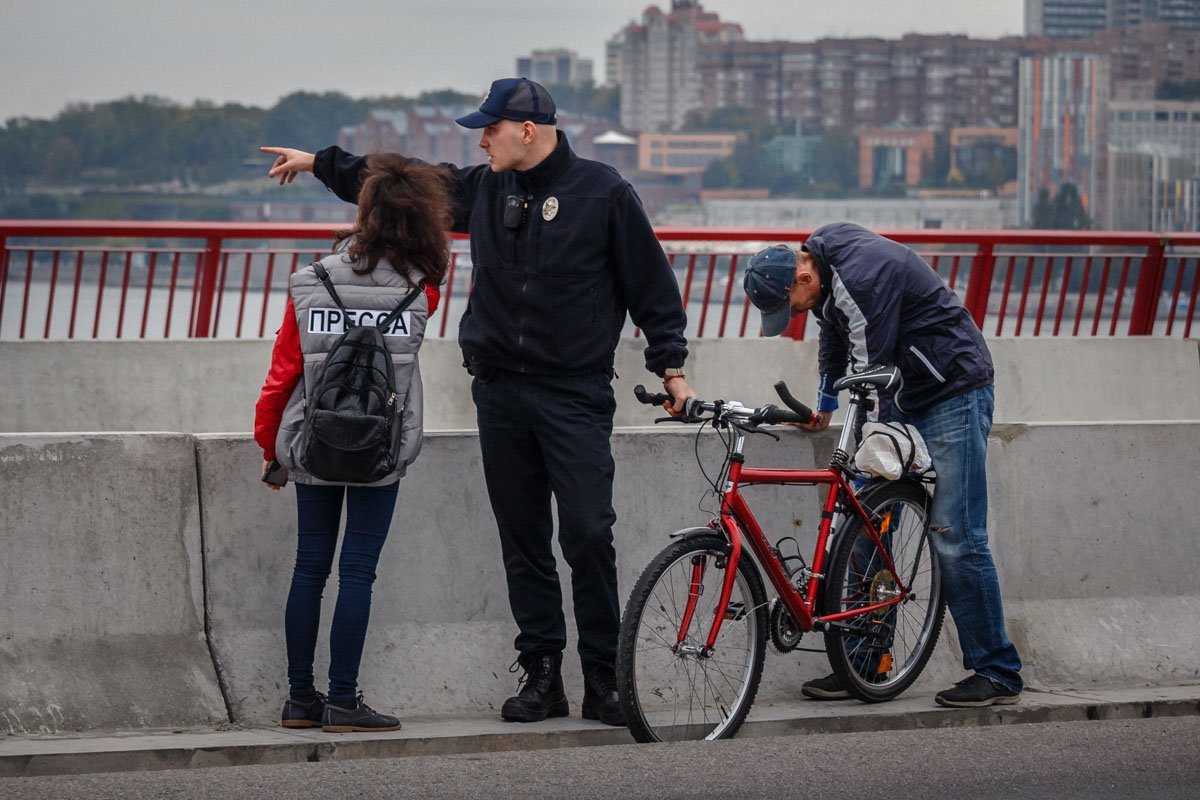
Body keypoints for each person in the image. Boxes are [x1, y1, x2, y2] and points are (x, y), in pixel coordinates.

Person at [262, 77, 694, 727]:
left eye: (489, 129)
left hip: (574, 392)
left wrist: (672, 370)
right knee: (522, 540)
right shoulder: (485, 187)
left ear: (528, 130)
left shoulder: (604, 193)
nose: (481, 139)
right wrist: (320, 163)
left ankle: (602, 678)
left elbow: (651, 287)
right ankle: (542, 675)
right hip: (498, 391)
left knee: (587, 533)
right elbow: (401, 185)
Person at [743, 222, 1023, 708]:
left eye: (790, 307)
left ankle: (997, 671)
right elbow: (835, 339)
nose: (793, 315)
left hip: (952, 389)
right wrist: (824, 405)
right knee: (867, 524)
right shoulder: (825, 276)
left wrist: (859, 443)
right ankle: (863, 665)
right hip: (904, 386)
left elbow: (868, 373)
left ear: (800, 280)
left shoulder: (860, 277)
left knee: (955, 535)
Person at [254, 155, 450, 732]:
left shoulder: (310, 282)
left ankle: (299, 700)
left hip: (313, 443)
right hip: (380, 446)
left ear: (363, 213)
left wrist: (271, 445)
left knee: (308, 567)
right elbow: (433, 274)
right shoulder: (422, 294)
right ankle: (344, 699)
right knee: (357, 571)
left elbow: (282, 372)